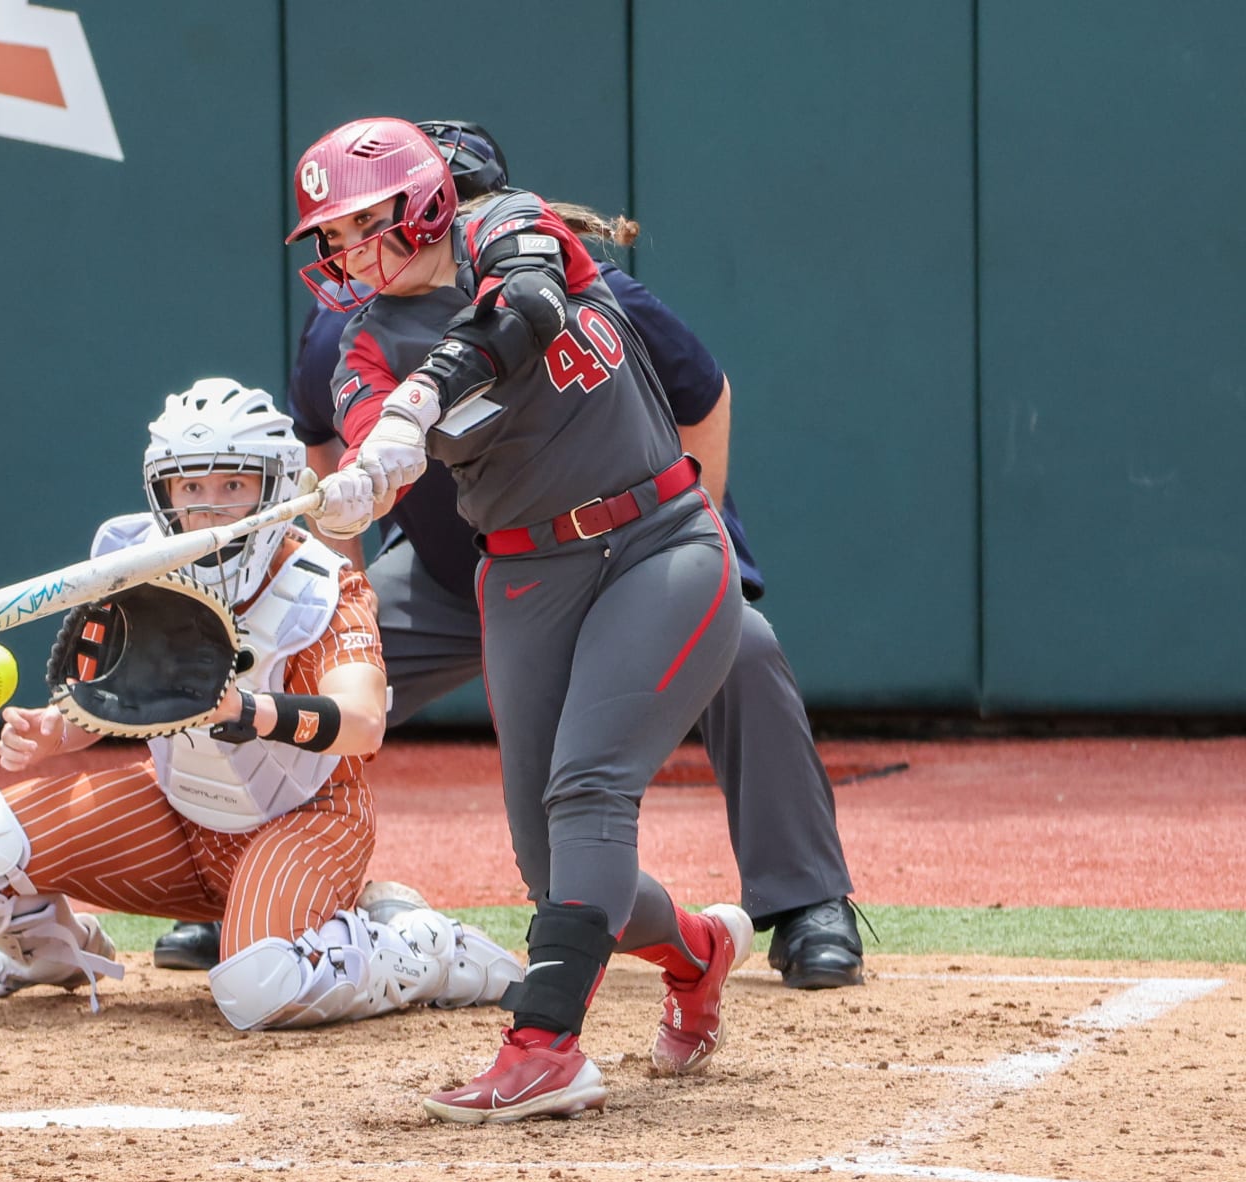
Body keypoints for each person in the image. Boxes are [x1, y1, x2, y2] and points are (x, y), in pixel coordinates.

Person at [159, 120, 862, 990]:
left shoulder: (567, 276)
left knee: (744, 649)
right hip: (463, 572)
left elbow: (704, 395)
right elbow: (328, 451)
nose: (366, 249)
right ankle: (226, 877)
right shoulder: (349, 332)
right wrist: (341, 581)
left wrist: (698, 533)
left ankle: (804, 900)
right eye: (344, 231)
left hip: (627, 548)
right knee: (297, 676)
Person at [286, 116, 752, 1123]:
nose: (339, 252)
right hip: (527, 577)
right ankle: (700, 953)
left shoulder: (509, 223)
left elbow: (529, 308)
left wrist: (422, 402)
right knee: (557, 868)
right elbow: (374, 440)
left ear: (418, 203)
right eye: (326, 235)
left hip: (656, 539)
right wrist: (362, 482)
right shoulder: (362, 350)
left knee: (589, 790)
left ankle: (544, 1045)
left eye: (357, 223)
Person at [0, 377, 522, 1031]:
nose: (209, 508)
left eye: (233, 486)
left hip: (307, 818)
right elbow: (114, 695)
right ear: (163, 491)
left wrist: (248, 711)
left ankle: (413, 945)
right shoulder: (131, 560)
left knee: (257, 991)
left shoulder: (322, 584)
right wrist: (57, 731)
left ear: (277, 484)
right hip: (178, 809)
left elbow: (364, 726)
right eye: (190, 488)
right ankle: (45, 953)